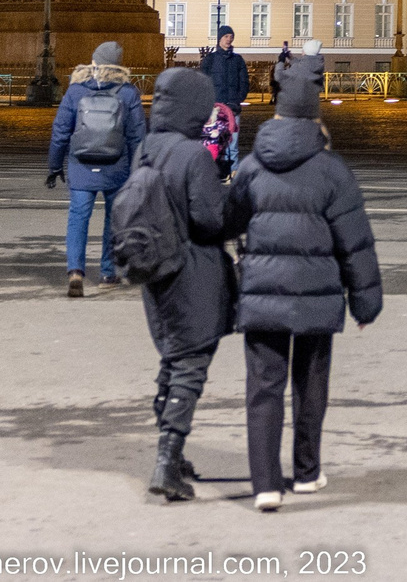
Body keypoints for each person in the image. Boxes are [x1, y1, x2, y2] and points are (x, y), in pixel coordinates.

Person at [225, 68, 384, 513]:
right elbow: (355, 241)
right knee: (311, 385)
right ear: (315, 118)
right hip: (318, 293)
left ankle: (265, 484)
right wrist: (366, 302)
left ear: (277, 113)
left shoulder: (253, 167)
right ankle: (307, 471)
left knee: (263, 388)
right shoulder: (333, 171)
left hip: (261, 292)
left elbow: (228, 222)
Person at [130, 65, 234, 501]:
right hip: (192, 270)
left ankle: (172, 453)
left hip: (156, 271)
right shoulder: (193, 155)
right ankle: (166, 461)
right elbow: (210, 220)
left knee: (173, 359)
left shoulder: (146, 149)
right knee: (190, 364)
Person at [46, 40, 147, 297]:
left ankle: (76, 272)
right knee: (113, 221)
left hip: (82, 165)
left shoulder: (76, 91)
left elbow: (60, 131)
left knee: (78, 218)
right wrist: (139, 169)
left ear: (94, 62)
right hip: (117, 166)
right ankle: (107, 273)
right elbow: (137, 136)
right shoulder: (127, 92)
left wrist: (55, 165)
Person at [204, 27, 250, 126]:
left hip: (233, 107)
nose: (229, 39)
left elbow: (244, 81)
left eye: (231, 37)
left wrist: (238, 99)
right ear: (220, 38)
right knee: (216, 139)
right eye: (226, 36)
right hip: (215, 108)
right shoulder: (210, 59)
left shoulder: (237, 59)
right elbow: (203, 83)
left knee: (232, 138)